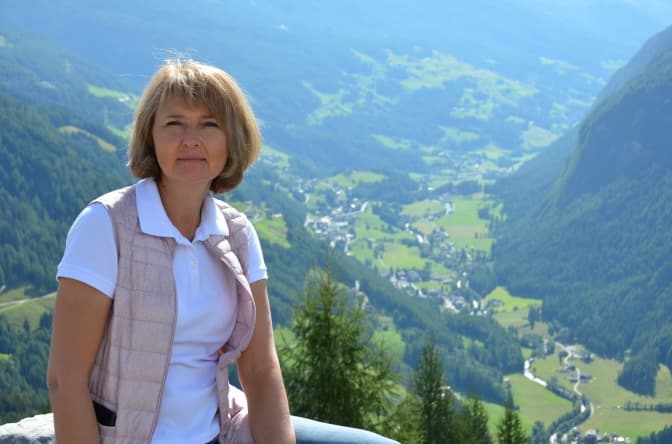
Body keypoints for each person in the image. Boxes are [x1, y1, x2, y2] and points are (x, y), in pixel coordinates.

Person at [47, 59, 399, 444]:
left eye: (209, 125)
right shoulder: (106, 225)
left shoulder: (238, 235)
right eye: (174, 123)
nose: (191, 139)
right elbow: (65, 378)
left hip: (223, 433)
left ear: (232, 140)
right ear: (151, 136)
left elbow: (261, 369)